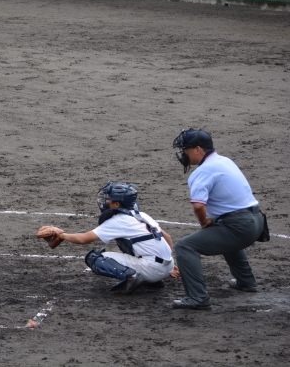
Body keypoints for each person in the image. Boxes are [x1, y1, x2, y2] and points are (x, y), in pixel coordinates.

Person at [171, 128, 264, 310]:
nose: (184, 154)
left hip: (241, 227)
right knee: (223, 228)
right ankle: (246, 281)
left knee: (184, 246)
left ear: (198, 149)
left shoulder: (203, 172)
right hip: (257, 222)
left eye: (186, 149)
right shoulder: (225, 161)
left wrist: (204, 222)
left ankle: (197, 298)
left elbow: (198, 206)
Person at [36, 181, 176, 295]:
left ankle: (133, 276)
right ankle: (152, 280)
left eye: (109, 198)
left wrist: (62, 234)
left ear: (117, 204)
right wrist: (168, 263)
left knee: (95, 258)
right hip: (167, 267)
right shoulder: (143, 216)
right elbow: (167, 237)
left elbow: (84, 238)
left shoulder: (118, 220)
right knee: (128, 243)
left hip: (152, 269)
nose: (105, 201)